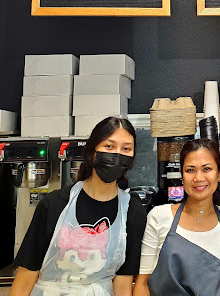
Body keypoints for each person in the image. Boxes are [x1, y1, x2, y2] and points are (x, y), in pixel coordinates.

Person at [11, 116, 147, 296]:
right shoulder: (54, 204)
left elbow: (122, 285)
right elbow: (25, 278)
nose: (117, 155)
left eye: (126, 149)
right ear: (92, 152)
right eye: (109, 146)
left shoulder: (133, 212)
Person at [134, 138, 220, 296]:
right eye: (190, 170)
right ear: (181, 175)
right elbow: (142, 284)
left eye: (207, 169)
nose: (198, 178)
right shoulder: (158, 216)